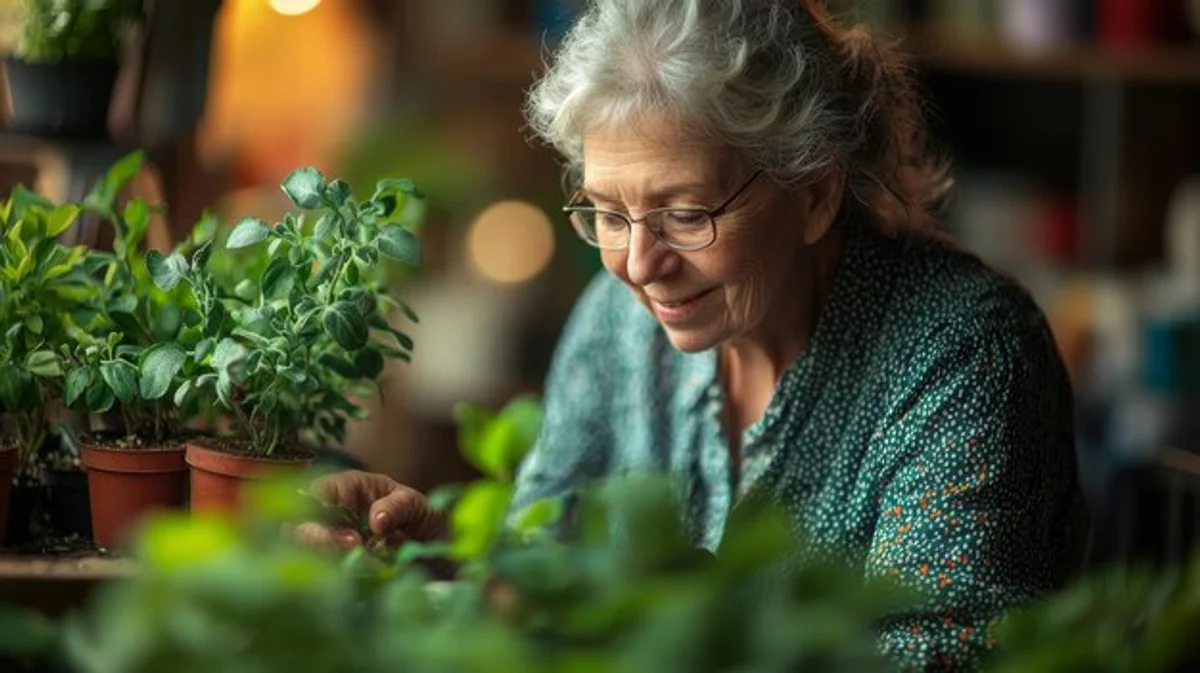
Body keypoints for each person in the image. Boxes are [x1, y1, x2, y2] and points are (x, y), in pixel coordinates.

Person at [298, 0, 1089, 668]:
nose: (640, 265)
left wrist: (674, 610)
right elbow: (544, 548)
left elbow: (940, 653)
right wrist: (441, 550)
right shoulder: (618, 325)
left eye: (686, 214)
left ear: (814, 192)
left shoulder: (962, 352)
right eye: (608, 213)